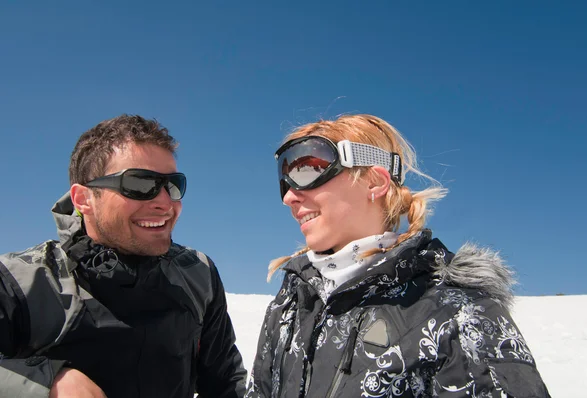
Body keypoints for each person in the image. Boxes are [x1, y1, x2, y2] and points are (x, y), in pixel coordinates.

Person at [245, 114, 550, 397]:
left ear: (374, 181)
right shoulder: (290, 304)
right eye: (285, 179)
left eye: (307, 170)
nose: (288, 196)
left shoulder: (456, 314)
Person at [0, 115, 246, 398]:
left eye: (173, 185)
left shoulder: (197, 275)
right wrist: (47, 383)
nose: (166, 203)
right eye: (140, 184)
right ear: (83, 199)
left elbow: (225, 383)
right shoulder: (20, 281)